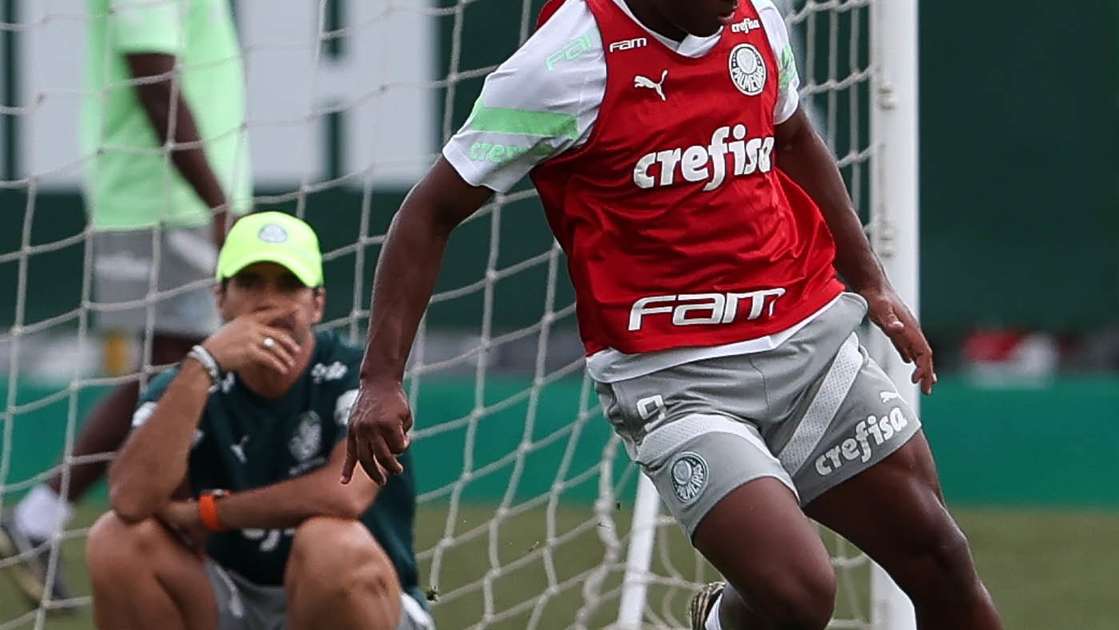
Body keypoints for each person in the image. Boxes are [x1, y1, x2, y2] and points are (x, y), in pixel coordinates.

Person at [343, 0, 1004, 629]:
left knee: (942, 558)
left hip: (810, 343)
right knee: (801, 595)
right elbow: (429, 213)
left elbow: (795, 136)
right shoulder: (562, 62)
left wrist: (871, 282)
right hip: (677, 380)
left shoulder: (754, 21)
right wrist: (382, 377)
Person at [0, 0, 251, 604]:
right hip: (163, 203)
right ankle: (68, 520)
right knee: (186, 370)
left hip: (169, 201)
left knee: (176, 370)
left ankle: (42, 517)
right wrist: (218, 204)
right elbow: (153, 77)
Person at [84, 212, 432, 630]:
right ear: (220, 298)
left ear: (316, 303)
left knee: (328, 544)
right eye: (249, 284)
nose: (268, 302)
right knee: (115, 542)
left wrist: (209, 514)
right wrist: (203, 365)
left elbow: (344, 497)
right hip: (235, 597)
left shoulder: (360, 374)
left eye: (288, 286)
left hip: (358, 599)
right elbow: (129, 500)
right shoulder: (185, 383)